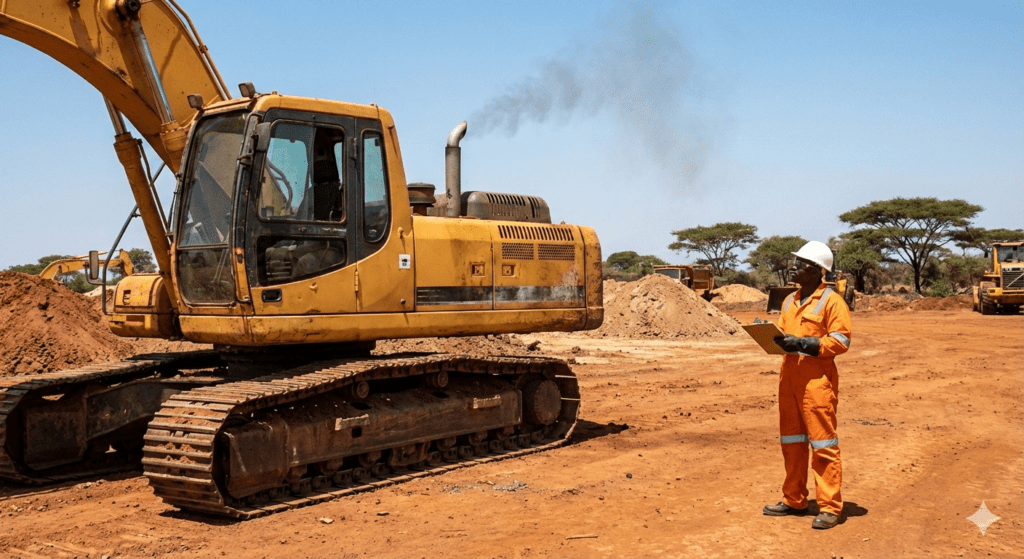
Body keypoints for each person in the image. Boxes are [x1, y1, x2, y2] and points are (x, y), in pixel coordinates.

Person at [763, 240, 851, 530]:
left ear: (816, 270)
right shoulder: (789, 301)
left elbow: (841, 341)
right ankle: (794, 499)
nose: (794, 266)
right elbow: (786, 336)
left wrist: (803, 343)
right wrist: (771, 338)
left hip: (816, 383)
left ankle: (829, 507)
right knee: (792, 442)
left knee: (823, 443)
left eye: (801, 263)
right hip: (788, 379)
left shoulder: (832, 302)